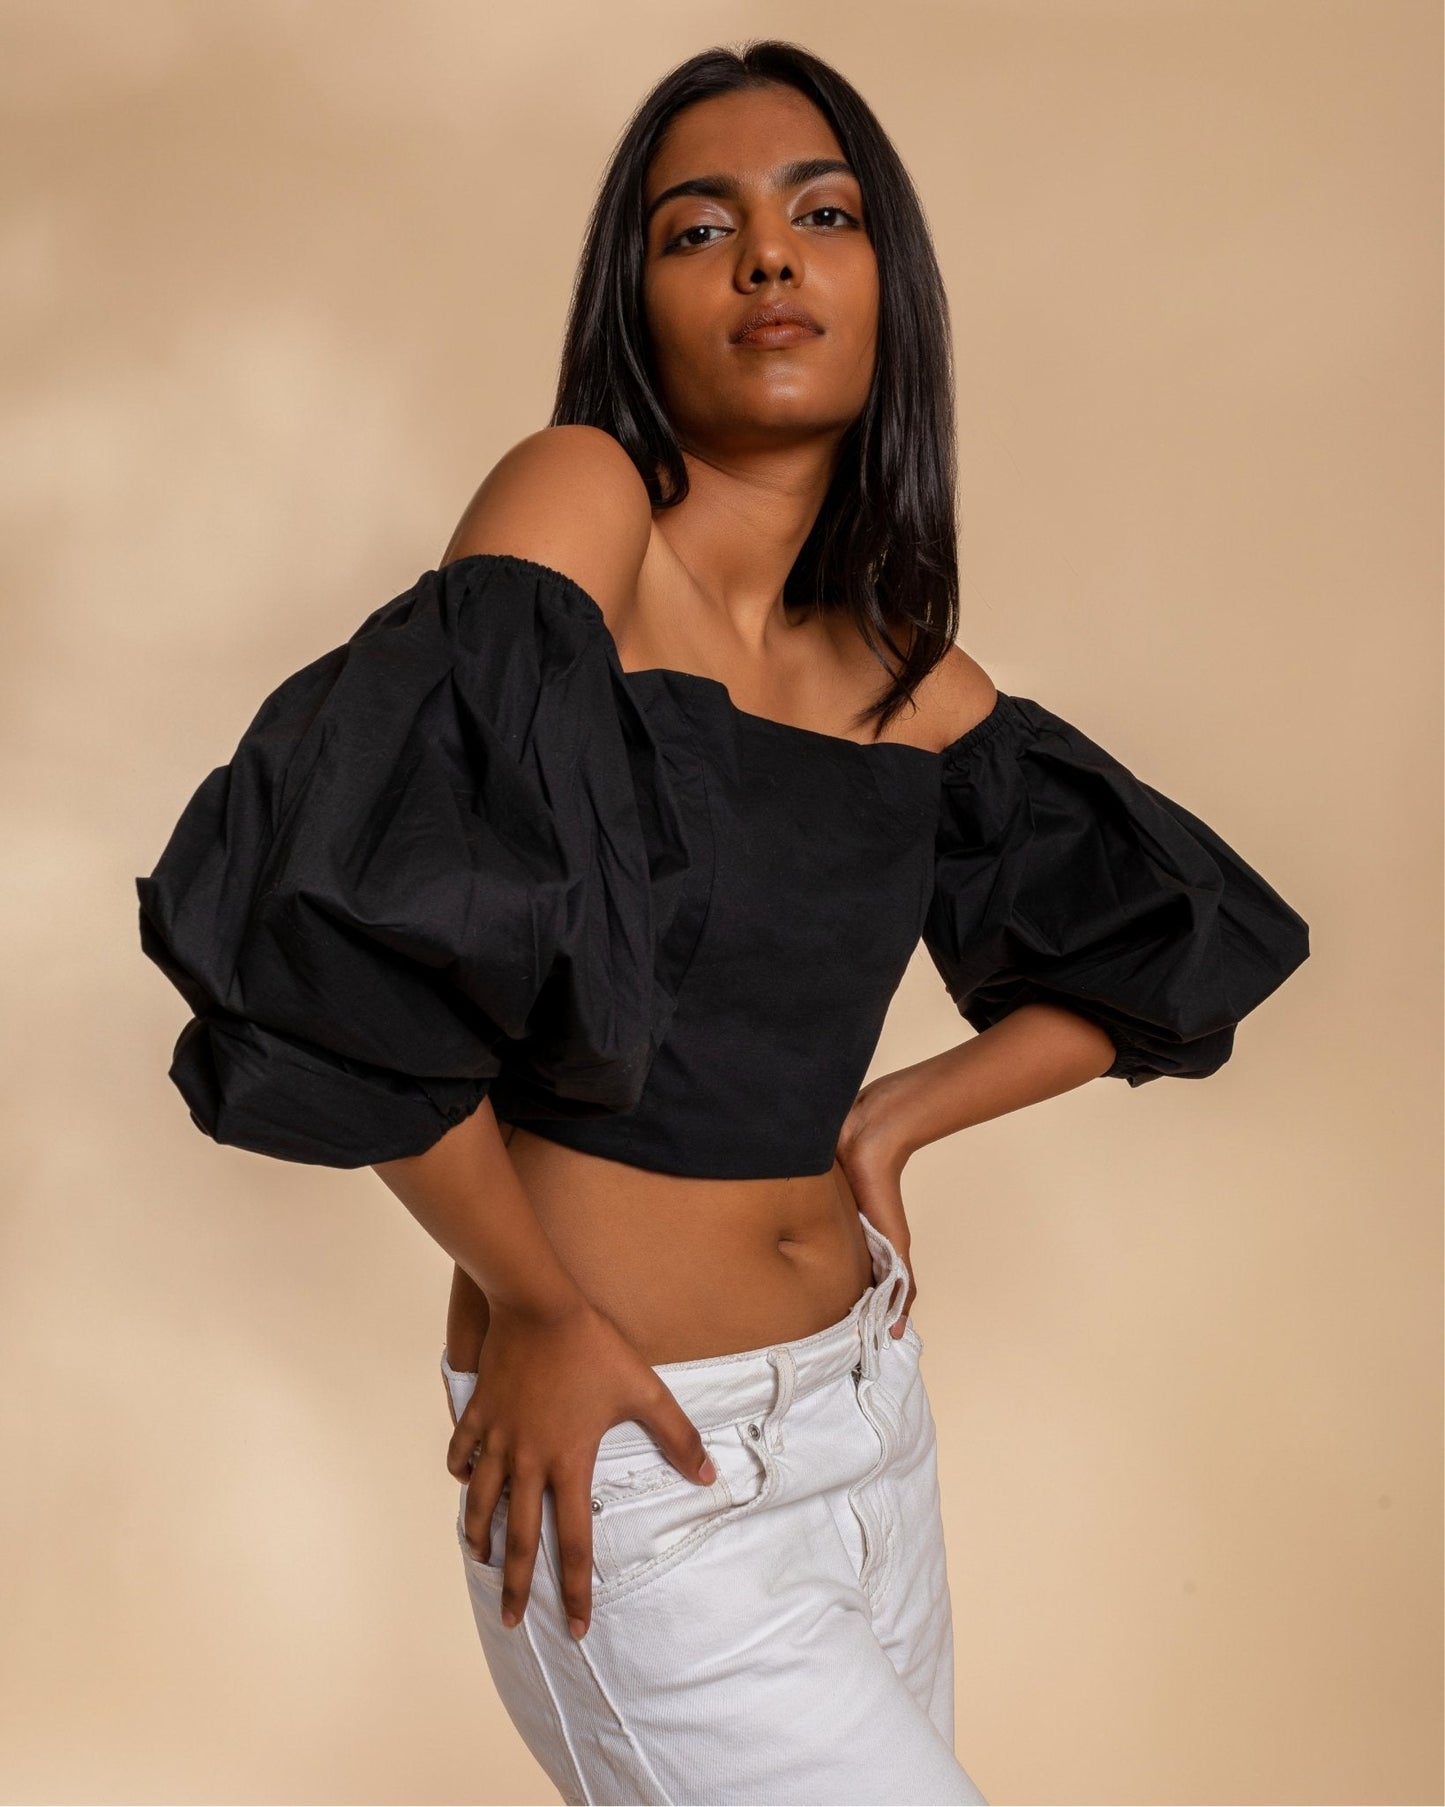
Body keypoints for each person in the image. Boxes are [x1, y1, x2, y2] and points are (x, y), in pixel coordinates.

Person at [134, 40, 1311, 1807]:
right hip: (639, 1450)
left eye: (821, 216)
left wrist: (892, 1116)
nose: (767, 255)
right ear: (638, 304)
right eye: (700, 229)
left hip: (866, 1421)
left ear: (888, 287)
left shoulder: (900, 674)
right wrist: (533, 1306)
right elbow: (352, 928)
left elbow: (1164, 948)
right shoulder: (583, 508)